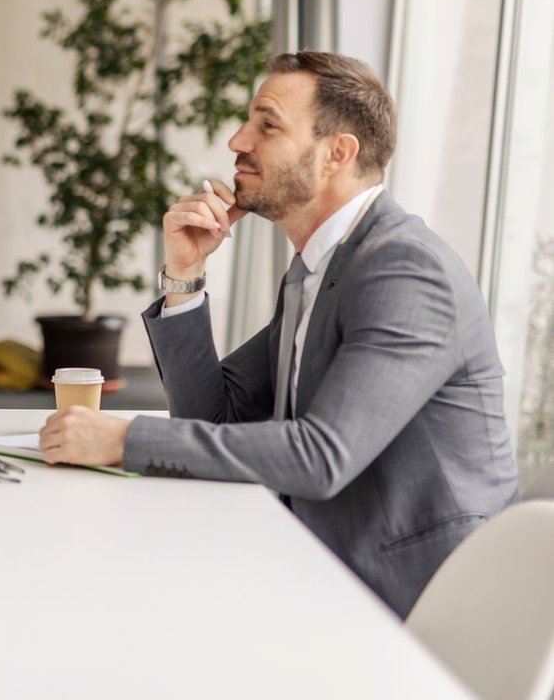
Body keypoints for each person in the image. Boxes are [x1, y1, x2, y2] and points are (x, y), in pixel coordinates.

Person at [38, 51, 520, 615]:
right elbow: (211, 418)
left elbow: (322, 456)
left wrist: (122, 441)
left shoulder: (404, 270)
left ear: (337, 153)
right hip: (321, 570)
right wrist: (185, 276)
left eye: (267, 124)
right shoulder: (315, 269)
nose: (238, 140)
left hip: (426, 604)